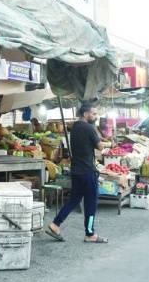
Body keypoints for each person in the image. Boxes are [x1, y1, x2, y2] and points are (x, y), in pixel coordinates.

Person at [46, 103, 108, 244]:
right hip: (87, 171)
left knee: (74, 200)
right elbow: (100, 146)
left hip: (77, 171)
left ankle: (55, 224)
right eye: (94, 113)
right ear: (86, 114)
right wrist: (103, 142)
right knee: (91, 204)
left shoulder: (75, 127)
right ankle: (90, 234)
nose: (95, 116)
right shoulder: (89, 128)